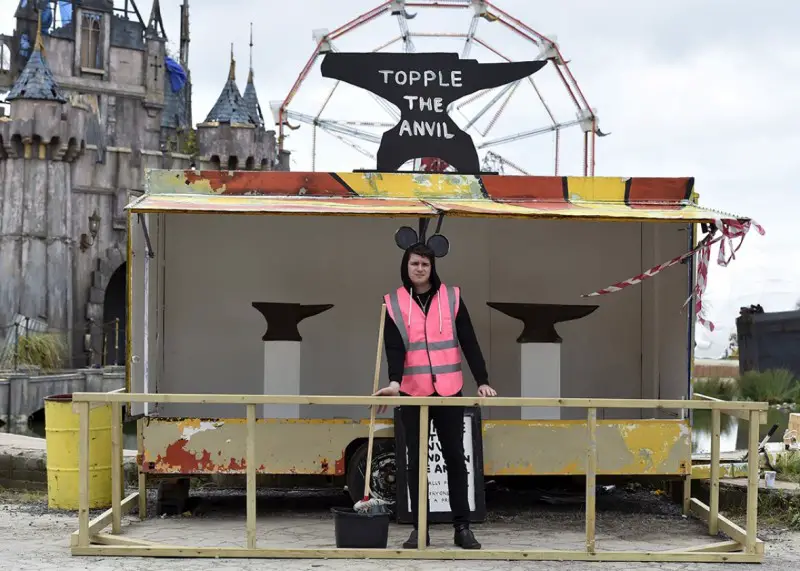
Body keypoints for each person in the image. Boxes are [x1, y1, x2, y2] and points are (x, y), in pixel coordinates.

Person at [374, 242, 497, 550]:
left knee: (456, 458)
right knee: (415, 463)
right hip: (412, 393)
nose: (419, 269)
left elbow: (468, 340)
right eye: (415, 263)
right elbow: (394, 348)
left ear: (432, 267)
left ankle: (462, 527)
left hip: (449, 390)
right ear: (406, 266)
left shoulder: (451, 297)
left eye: (425, 264)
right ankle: (420, 530)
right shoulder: (394, 303)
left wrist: (481, 380)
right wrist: (393, 383)